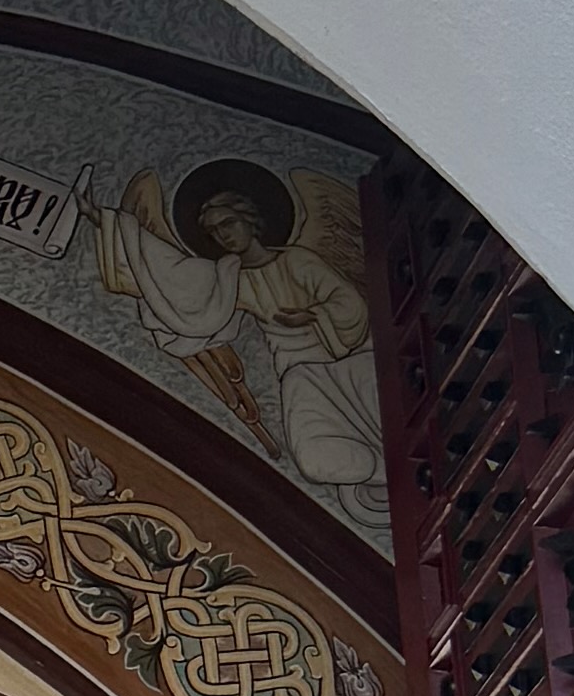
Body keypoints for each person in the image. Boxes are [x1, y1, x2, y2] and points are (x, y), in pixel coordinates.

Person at [89, 160, 387, 540]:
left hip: (348, 359)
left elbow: (348, 302)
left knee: (387, 426)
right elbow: (172, 273)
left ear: (250, 219)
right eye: (213, 232)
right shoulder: (231, 278)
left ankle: (390, 475)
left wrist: (313, 315)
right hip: (298, 373)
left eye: (228, 224)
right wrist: (107, 221)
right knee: (313, 461)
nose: (223, 237)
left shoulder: (297, 260)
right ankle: (376, 471)